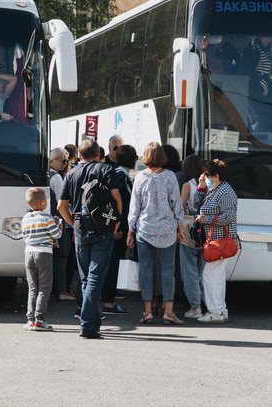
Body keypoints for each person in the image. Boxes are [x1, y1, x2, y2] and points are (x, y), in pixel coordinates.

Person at [58, 139, 122, 339]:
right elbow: (117, 198)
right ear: (97, 154)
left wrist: (72, 224)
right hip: (103, 227)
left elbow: (61, 206)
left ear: (78, 155)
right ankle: (87, 324)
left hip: (80, 227)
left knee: (86, 278)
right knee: (94, 278)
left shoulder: (71, 173)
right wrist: (115, 224)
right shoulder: (106, 170)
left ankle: (92, 322)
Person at [127, 142, 185, 324]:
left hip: (144, 230)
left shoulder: (140, 178)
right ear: (162, 157)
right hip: (167, 230)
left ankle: (147, 311)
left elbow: (134, 207)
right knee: (168, 270)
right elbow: (177, 205)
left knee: (146, 270)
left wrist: (130, 230)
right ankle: (168, 311)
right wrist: (180, 228)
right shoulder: (170, 177)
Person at [193, 159, 238, 324]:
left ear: (216, 175)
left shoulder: (224, 191)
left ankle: (215, 311)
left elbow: (228, 217)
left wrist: (206, 219)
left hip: (220, 240)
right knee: (216, 276)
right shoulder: (216, 189)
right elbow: (199, 205)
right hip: (217, 240)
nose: (205, 176)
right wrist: (201, 186)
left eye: (208, 174)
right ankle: (220, 310)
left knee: (210, 275)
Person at [100, 144, 138, 315]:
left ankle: (107, 299)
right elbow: (120, 204)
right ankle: (108, 303)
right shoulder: (121, 176)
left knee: (111, 264)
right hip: (118, 229)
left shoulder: (118, 173)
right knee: (113, 264)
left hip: (116, 227)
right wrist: (119, 227)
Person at [21, 187, 62, 331]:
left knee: (32, 288)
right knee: (44, 288)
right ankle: (40, 320)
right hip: (43, 253)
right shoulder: (47, 217)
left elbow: (24, 236)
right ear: (43, 202)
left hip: (28, 253)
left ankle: (30, 320)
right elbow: (56, 234)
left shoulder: (25, 218)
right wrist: (59, 226)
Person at [180, 154, 206, 319]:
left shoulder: (187, 185)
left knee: (189, 269)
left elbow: (181, 207)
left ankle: (195, 306)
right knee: (203, 270)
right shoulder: (208, 184)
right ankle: (207, 303)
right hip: (206, 229)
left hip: (190, 229)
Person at [49, 148, 75, 301]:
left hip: (46, 221)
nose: (65, 164)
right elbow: (62, 201)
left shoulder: (44, 174)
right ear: (54, 160)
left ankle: (52, 289)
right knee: (62, 256)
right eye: (63, 160)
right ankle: (62, 290)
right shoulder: (56, 178)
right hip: (58, 221)